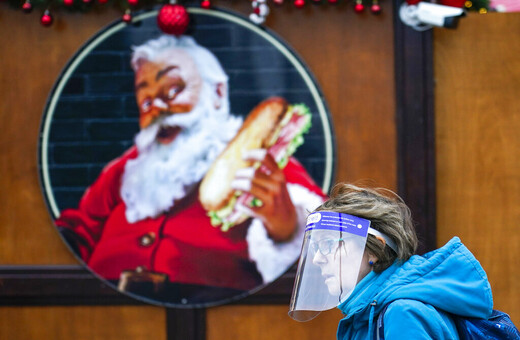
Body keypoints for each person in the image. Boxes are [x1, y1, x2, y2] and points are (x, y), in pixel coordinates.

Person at [55, 35, 325, 305]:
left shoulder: (258, 158)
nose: (158, 109)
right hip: (102, 309)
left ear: (218, 93)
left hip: (213, 311)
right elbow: (79, 229)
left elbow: (327, 230)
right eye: (146, 103)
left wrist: (287, 226)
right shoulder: (128, 168)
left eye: (173, 91)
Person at [289, 183, 494, 339]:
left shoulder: (402, 313)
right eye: (315, 247)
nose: (317, 259)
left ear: (374, 250)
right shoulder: (366, 312)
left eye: (328, 244)